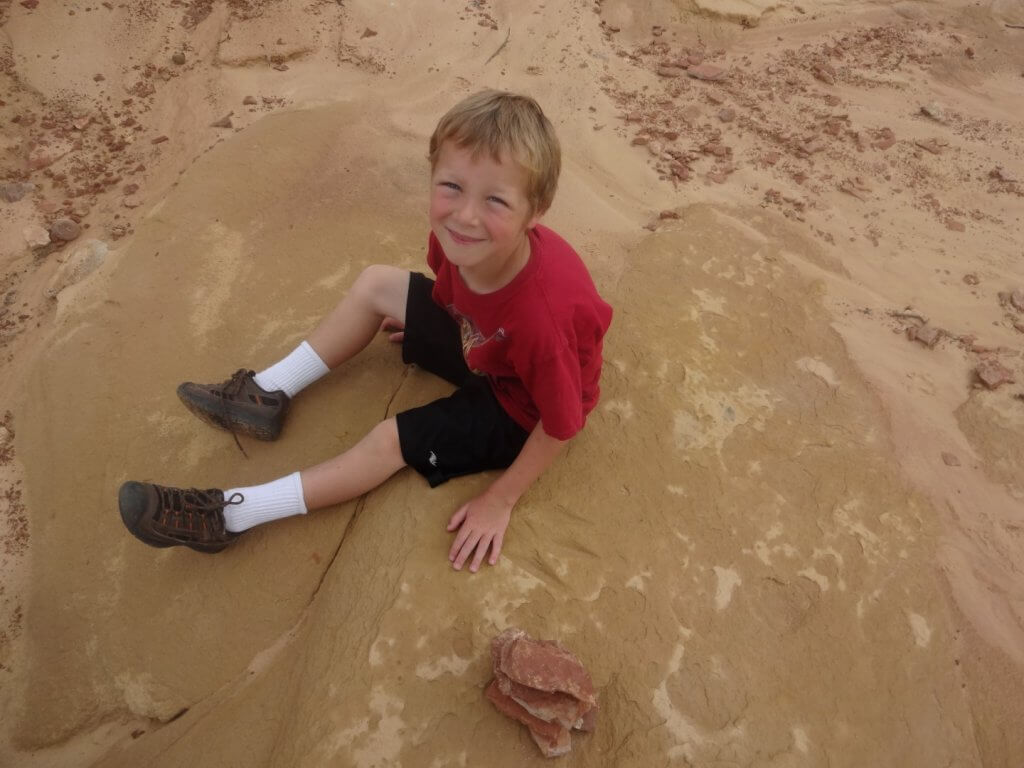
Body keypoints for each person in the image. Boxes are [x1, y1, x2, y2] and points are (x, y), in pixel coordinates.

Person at [118, 90, 612, 573]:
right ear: (433, 174)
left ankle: (229, 514)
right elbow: (456, 294)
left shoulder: (541, 319)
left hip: (519, 406)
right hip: (486, 344)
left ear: (535, 212)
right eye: (452, 187)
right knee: (378, 283)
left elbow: (562, 423)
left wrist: (500, 500)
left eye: (496, 201)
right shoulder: (458, 243)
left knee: (386, 441)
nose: (465, 215)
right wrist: (438, 328)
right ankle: (264, 394)